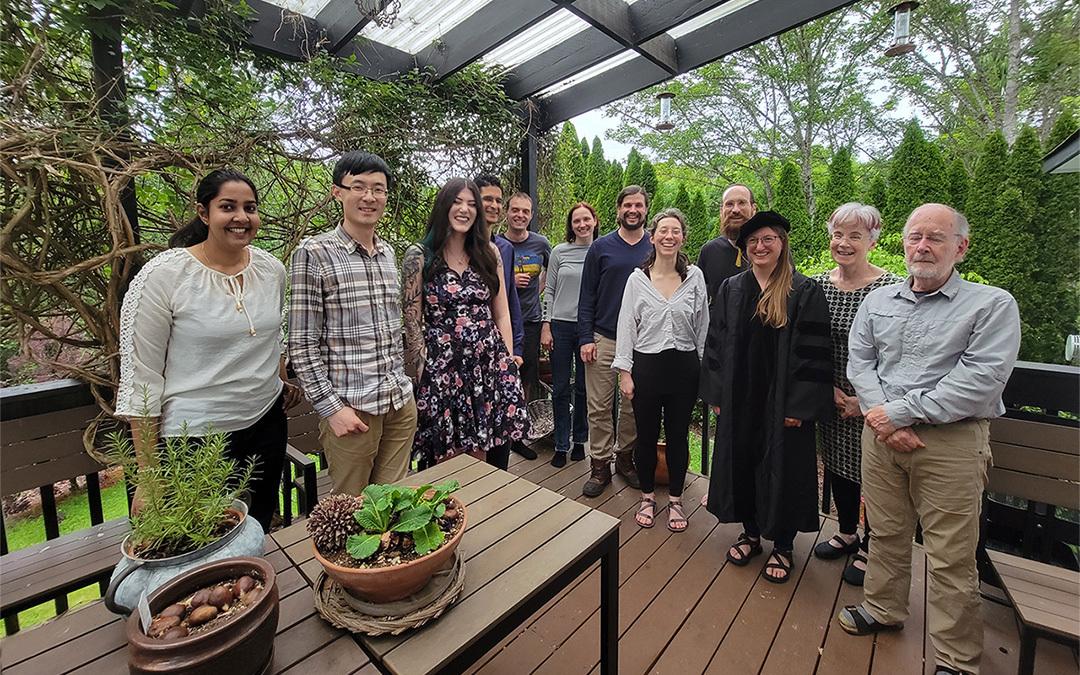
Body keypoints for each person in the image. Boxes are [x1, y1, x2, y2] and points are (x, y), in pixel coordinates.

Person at [837, 204, 1021, 675]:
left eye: (936, 238)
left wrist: (896, 414)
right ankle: (883, 609)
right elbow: (861, 363)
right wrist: (886, 421)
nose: (923, 246)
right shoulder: (878, 303)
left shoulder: (991, 304)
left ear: (960, 247)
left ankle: (957, 659)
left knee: (950, 555)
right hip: (882, 439)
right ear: (902, 243)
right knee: (887, 531)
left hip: (950, 444)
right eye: (915, 236)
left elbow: (980, 379)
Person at [116, 169, 302, 532]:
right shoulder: (164, 276)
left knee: (258, 527)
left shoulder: (271, 269)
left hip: (265, 426)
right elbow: (143, 377)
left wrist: (280, 380)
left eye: (250, 208)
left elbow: (270, 334)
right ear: (204, 213)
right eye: (228, 207)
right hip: (195, 438)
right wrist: (149, 475)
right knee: (202, 540)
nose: (241, 217)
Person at [701, 211, 833, 583]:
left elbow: (813, 356)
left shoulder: (802, 291)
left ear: (781, 244)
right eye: (753, 241)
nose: (759, 247)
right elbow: (716, 343)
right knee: (742, 460)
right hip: (740, 399)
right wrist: (717, 393)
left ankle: (784, 545)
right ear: (745, 247)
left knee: (783, 467)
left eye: (768, 240)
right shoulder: (732, 288)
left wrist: (798, 407)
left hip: (782, 405)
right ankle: (751, 533)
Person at [288, 151, 417, 497]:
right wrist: (332, 410)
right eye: (358, 187)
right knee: (351, 509)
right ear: (338, 192)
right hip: (352, 409)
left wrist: (406, 392)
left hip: (398, 404)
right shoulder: (314, 253)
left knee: (394, 505)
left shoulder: (388, 254)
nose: (370, 197)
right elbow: (301, 344)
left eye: (379, 189)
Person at [403, 178, 530, 471]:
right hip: (443, 370)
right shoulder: (419, 255)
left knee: (496, 457)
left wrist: (508, 362)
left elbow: (501, 314)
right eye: (457, 202)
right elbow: (413, 323)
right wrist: (426, 373)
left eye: (472, 204)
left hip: (490, 367)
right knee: (446, 461)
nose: (465, 210)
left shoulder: (490, 253)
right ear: (443, 206)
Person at [812, 203, 902, 586]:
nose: (844, 243)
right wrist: (828, 389)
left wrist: (863, 401)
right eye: (837, 234)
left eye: (854, 236)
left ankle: (871, 545)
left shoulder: (891, 289)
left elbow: (899, 353)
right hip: (828, 393)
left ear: (872, 241)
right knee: (837, 465)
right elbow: (807, 343)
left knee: (876, 474)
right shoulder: (815, 284)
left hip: (877, 400)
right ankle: (847, 531)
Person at [613, 209, 709, 533]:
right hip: (647, 367)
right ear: (652, 237)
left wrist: (703, 367)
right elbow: (626, 325)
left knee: (679, 437)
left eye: (675, 231)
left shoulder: (694, 277)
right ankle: (647, 496)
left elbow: (703, 325)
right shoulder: (637, 280)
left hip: (683, 368)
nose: (669, 236)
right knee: (646, 436)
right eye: (663, 231)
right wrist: (625, 372)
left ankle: (677, 500)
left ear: (683, 237)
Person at [578, 185, 653, 497]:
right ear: (618, 209)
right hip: (604, 338)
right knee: (598, 406)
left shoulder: (655, 244)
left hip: (642, 342)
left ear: (646, 210)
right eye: (627, 205)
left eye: (638, 205)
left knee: (633, 406)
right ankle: (599, 465)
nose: (632, 210)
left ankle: (625, 459)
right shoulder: (601, 247)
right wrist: (586, 337)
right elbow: (587, 295)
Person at [541, 202, 597, 468]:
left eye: (586, 219)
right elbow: (549, 290)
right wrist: (546, 324)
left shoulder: (600, 251)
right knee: (561, 387)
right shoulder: (559, 252)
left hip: (589, 328)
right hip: (560, 327)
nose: (582, 224)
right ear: (571, 225)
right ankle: (560, 444)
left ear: (595, 221)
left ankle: (579, 442)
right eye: (577, 220)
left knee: (584, 389)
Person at [498, 191, 551, 460]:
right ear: (507, 212)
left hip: (529, 320)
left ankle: (518, 435)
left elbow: (551, 274)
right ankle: (499, 434)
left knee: (526, 378)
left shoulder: (541, 244)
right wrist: (510, 284)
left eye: (525, 212)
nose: (520, 215)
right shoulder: (496, 244)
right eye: (515, 210)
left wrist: (538, 289)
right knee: (500, 380)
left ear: (531, 215)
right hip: (499, 321)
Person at [474, 174, 525, 369]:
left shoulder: (504, 249)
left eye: (498, 200)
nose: (494, 205)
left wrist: (516, 349)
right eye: (488, 199)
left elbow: (510, 301)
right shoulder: (458, 248)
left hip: (501, 342)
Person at [697, 184, 754, 306]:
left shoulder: (769, 250)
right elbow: (700, 302)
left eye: (742, 203)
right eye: (729, 204)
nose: (735, 210)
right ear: (721, 211)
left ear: (754, 209)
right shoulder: (709, 251)